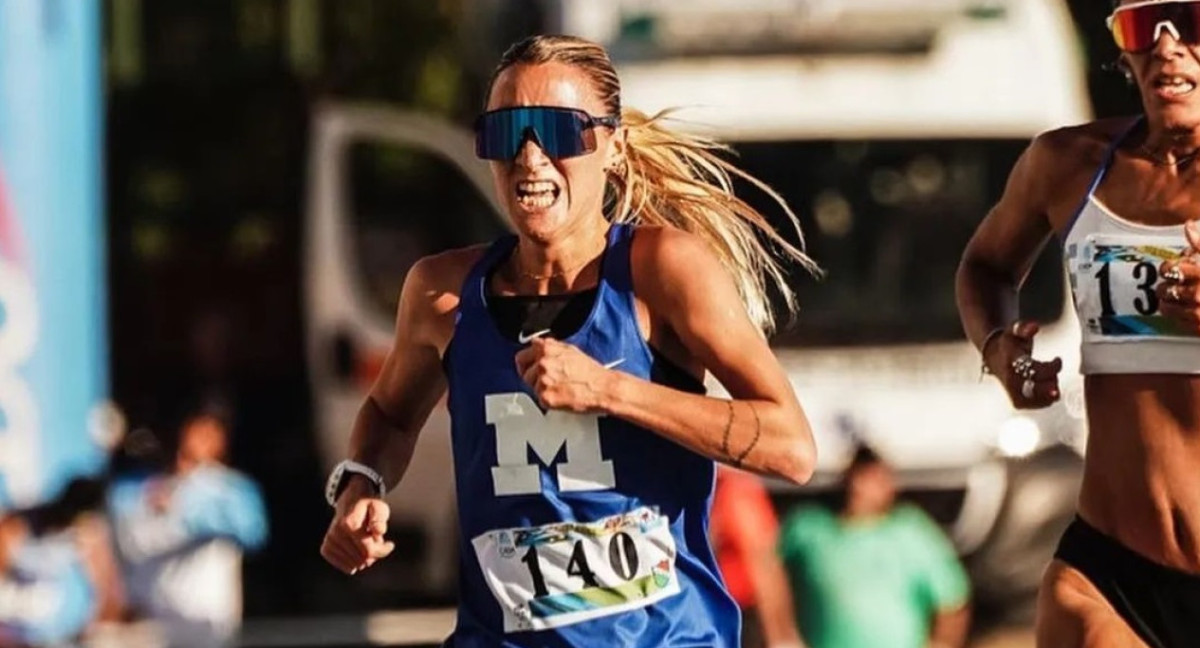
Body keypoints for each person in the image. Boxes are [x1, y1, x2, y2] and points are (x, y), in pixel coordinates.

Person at [319, 34, 818, 648]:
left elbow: (791, 447)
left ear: (613, 145)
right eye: (506, 132)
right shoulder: (442, 294)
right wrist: (360, 485)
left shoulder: (661, 271)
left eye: (559, 131)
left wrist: (611, 390)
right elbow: (390, 416)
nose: (530, 156)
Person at [956, 2, 1200, 645]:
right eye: (1145, 25)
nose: (1168, 46)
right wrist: (997, 348)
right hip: (1109, 570)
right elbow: (985, 265)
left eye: (1191, 19)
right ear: (1123, 50)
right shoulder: (1069, 162)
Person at [777, 444, 970, 648]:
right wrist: (782, 635)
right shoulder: (808, 528)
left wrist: (941, 643)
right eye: (858, 477)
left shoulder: (911, 532)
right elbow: (768, 574)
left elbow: (953, 598)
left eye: (872, 480)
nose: (860, 487)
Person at [108, 410, 268, 648]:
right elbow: (126, 542)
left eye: (207, 434)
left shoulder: (232, 489)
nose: (197, 442)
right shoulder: (140, 488)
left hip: (207, 620)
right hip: (153, 620)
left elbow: (254, 533)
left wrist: (188, 512)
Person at [710, 466, 804, 648]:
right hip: (729, 609)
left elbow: (761, 562)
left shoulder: (736, 491)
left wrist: (779, 634)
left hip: (743, 612)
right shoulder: (729, 489)